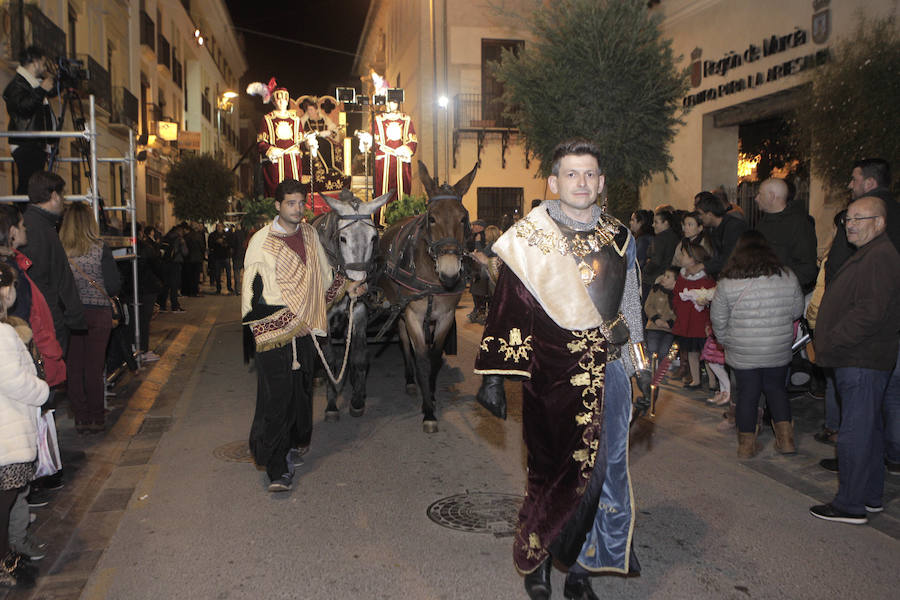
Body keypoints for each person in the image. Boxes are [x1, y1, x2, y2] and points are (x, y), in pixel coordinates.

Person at [474, 140, 650, 600]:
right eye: (572, 174)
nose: (582, 183)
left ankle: (577, 568)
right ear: (553, 182)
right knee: (550, 472)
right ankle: (539, 557)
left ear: (602, 182)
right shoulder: (531, 238)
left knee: (599, 473)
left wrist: (639, 368)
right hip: (549, 374)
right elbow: (507, 311)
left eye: (590, 174)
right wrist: (493, 379)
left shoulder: (620, 236)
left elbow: (629, 305)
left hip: (609, 372)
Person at [241, 179, 365, 493]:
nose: (297, 209)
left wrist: (348, 288)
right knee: (278, 400)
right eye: (291, 203)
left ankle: (293, 443)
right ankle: (277, 468)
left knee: (301, 394)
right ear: (277, 206)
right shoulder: (261, 242)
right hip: (276, 337)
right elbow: (253, 296)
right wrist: (283, 324)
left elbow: (322, 278)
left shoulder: (310, 235)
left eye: (301, 203)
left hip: (307, 333)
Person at [810, 196, 900, 524]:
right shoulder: (872, 253)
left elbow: (870, 313)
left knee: (855, 433)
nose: (850, 224)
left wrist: (834, 338)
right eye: (848, 218)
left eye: (859, 219)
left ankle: (850, 504)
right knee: (868, 430)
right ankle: (870, 497)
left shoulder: (879, 257)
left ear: (880, 222)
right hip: (861, 358)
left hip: (860, 359)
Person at [710, 231, 804, 458]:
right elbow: (796, 312)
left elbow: (718, 320)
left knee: (748, 395)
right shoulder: (788, 276)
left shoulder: (727, 282)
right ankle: (787, 442)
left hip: (743, 351)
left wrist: (725, 341)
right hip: (777, 348)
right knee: (777, 391)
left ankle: (746, 446)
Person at [0, 261, 49, 588]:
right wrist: (42, 390)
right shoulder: (3, 333)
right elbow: (12, 380)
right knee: (5, 503)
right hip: (7, 434)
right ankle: (5, 559)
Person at [60, 202, 121, 433]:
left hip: (72, 314)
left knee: (74, 368)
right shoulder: (100, 247)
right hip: (98, 312)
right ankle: (97, 417)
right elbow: (113, 285)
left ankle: (81, 418)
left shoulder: (60, 250)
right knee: (94, 367)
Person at [19, 171, 86, 352]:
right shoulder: (36, 229)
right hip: (49, 325)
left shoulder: (39, 225)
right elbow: (41, 283)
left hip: (51, 321)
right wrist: (58, 322)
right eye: (63, 195)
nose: (64, 201)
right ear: (54, 196)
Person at [2, 46, 55, 196]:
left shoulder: (33, 83)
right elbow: (23, 107)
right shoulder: (17, 85)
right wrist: (41, 90)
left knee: (34, 186)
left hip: (35, 143)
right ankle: (23, 216)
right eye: (43, 63)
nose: (44, 67)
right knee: (29, 186)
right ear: (35, 62)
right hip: (25, 143)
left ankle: (26, 215)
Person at [753, 178, 818, 294]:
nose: (756, 198)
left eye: (760, 194)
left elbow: (807, 269)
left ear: (772, 196)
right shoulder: (762, 223)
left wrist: (778, 284)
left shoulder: (799, 225)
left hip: (786, 297)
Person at [671, 241, 715, 390]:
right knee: (691, 352)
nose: (680, 257)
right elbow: (676, 296)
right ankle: (696, 380)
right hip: (685, 320)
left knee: (707, 353)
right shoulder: (682, 277)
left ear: (693, 258)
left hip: (700, 322)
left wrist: (703, 302)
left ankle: (713, 381)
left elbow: (712, 296)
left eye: (683, 254)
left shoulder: (706, 279)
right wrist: (679, 308)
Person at [372, 99, 417, 226]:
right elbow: (374, 140)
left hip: (400, 160)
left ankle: (403, 221)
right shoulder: (378, 119)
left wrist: (404, 149)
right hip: (384, 160)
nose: (393, 105)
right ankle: (381, 221)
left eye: (395, 103)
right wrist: (378, 146)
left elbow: (412, 139)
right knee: (383, 190)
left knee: (402, 190)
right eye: (391, 102)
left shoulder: (406, 119)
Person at [257, 88, 304, 198]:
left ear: (287, 101)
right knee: (276, 191)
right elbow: (261, 143)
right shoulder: (268, 119)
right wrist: (271, 150)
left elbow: (301, 143)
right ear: (274, 102)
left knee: (294, 190)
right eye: (279, 99)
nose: (282, 102)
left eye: (284, 99)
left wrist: (310, 144)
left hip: (292, 161)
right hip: (275, 162)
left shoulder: (296, 120)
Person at [694, 191, 748, 278]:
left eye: (700, 214)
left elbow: (729, 257)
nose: (699, 218)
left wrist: (703, 266)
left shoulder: (734, 226)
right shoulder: (713, 229)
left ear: (710, 214)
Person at [642, 206, 680, 297]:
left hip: (654, 278)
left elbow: (656, 261)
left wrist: (644, 270)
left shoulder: (660, 239)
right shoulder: (675, 237)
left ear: (666, 223)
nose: (653, 225)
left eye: (656, 222)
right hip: (668, 278)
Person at [643, 266, 678, 361]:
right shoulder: (655, 290)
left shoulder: (678, 295)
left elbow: (679, 312)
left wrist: (670, 323)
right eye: (664, 275)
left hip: (669, 329)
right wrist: (655, 318)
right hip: (654, 326)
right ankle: (651, 369)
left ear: (675, 281)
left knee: (664, 351)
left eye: (668, 277)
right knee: (652, 348)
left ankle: (660, 373)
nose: (664, 278)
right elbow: (648, 306)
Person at [157, 225, 187, 311]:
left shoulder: (165, 237)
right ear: (179, 231)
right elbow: (185, 252)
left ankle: (162, 305)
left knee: (166, 284)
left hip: (165, 263)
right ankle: (175, 306)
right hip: (175, 263)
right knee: (174, 285)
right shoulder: (179, 239)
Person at [207, 223, 233, 295]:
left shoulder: (227, 235)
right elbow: (210, 244)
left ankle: (229, 287)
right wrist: (216, 242)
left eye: (220, 227)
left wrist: (224, 243)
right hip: (217, 257)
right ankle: (218, 288)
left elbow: (230, 243)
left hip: (225, 256)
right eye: (218, 227)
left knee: (228, 273)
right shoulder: (212, 235)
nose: (219, 228)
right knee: (217, 274)